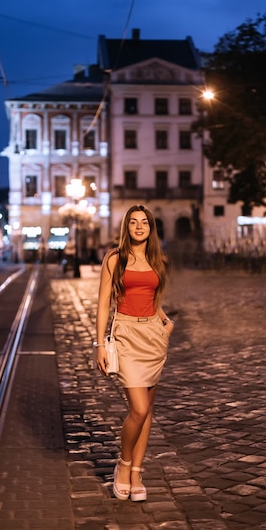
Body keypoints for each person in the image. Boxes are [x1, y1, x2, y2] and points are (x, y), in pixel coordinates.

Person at [95, 204, 175, 501]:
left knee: (148, 411)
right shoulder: (115, 259)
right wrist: (99, 344)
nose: (139, 227)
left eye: (144, 222)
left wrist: (166, 323)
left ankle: (138, 472)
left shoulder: (158, 260)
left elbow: (152, 299)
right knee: (138, 409)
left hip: (153, 335)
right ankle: (124, 465)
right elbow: (104, 303)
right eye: (133, 222)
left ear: (151, 228)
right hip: (126, 335)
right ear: (126, 227)